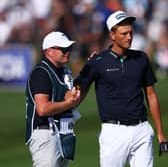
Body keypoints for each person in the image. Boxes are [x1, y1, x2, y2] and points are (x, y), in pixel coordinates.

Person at [72, 10, 167, 167]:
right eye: (124, 33)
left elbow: (151, 96)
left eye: (130, 32)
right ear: (112, 35)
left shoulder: (141, 58)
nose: (129, 37)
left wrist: (160, 133)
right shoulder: (98, 62)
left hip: (142, 129)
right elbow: (78, 90)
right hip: (113, 132)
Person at [25, 31, 80, 167]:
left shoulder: (63, 71)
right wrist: (68, 103)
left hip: (61, 133)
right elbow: (43, 109)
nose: (67, 52)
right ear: (49, 51)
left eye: (69, 49)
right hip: (46, 133)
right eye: (63, 49)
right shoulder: (41, 72)